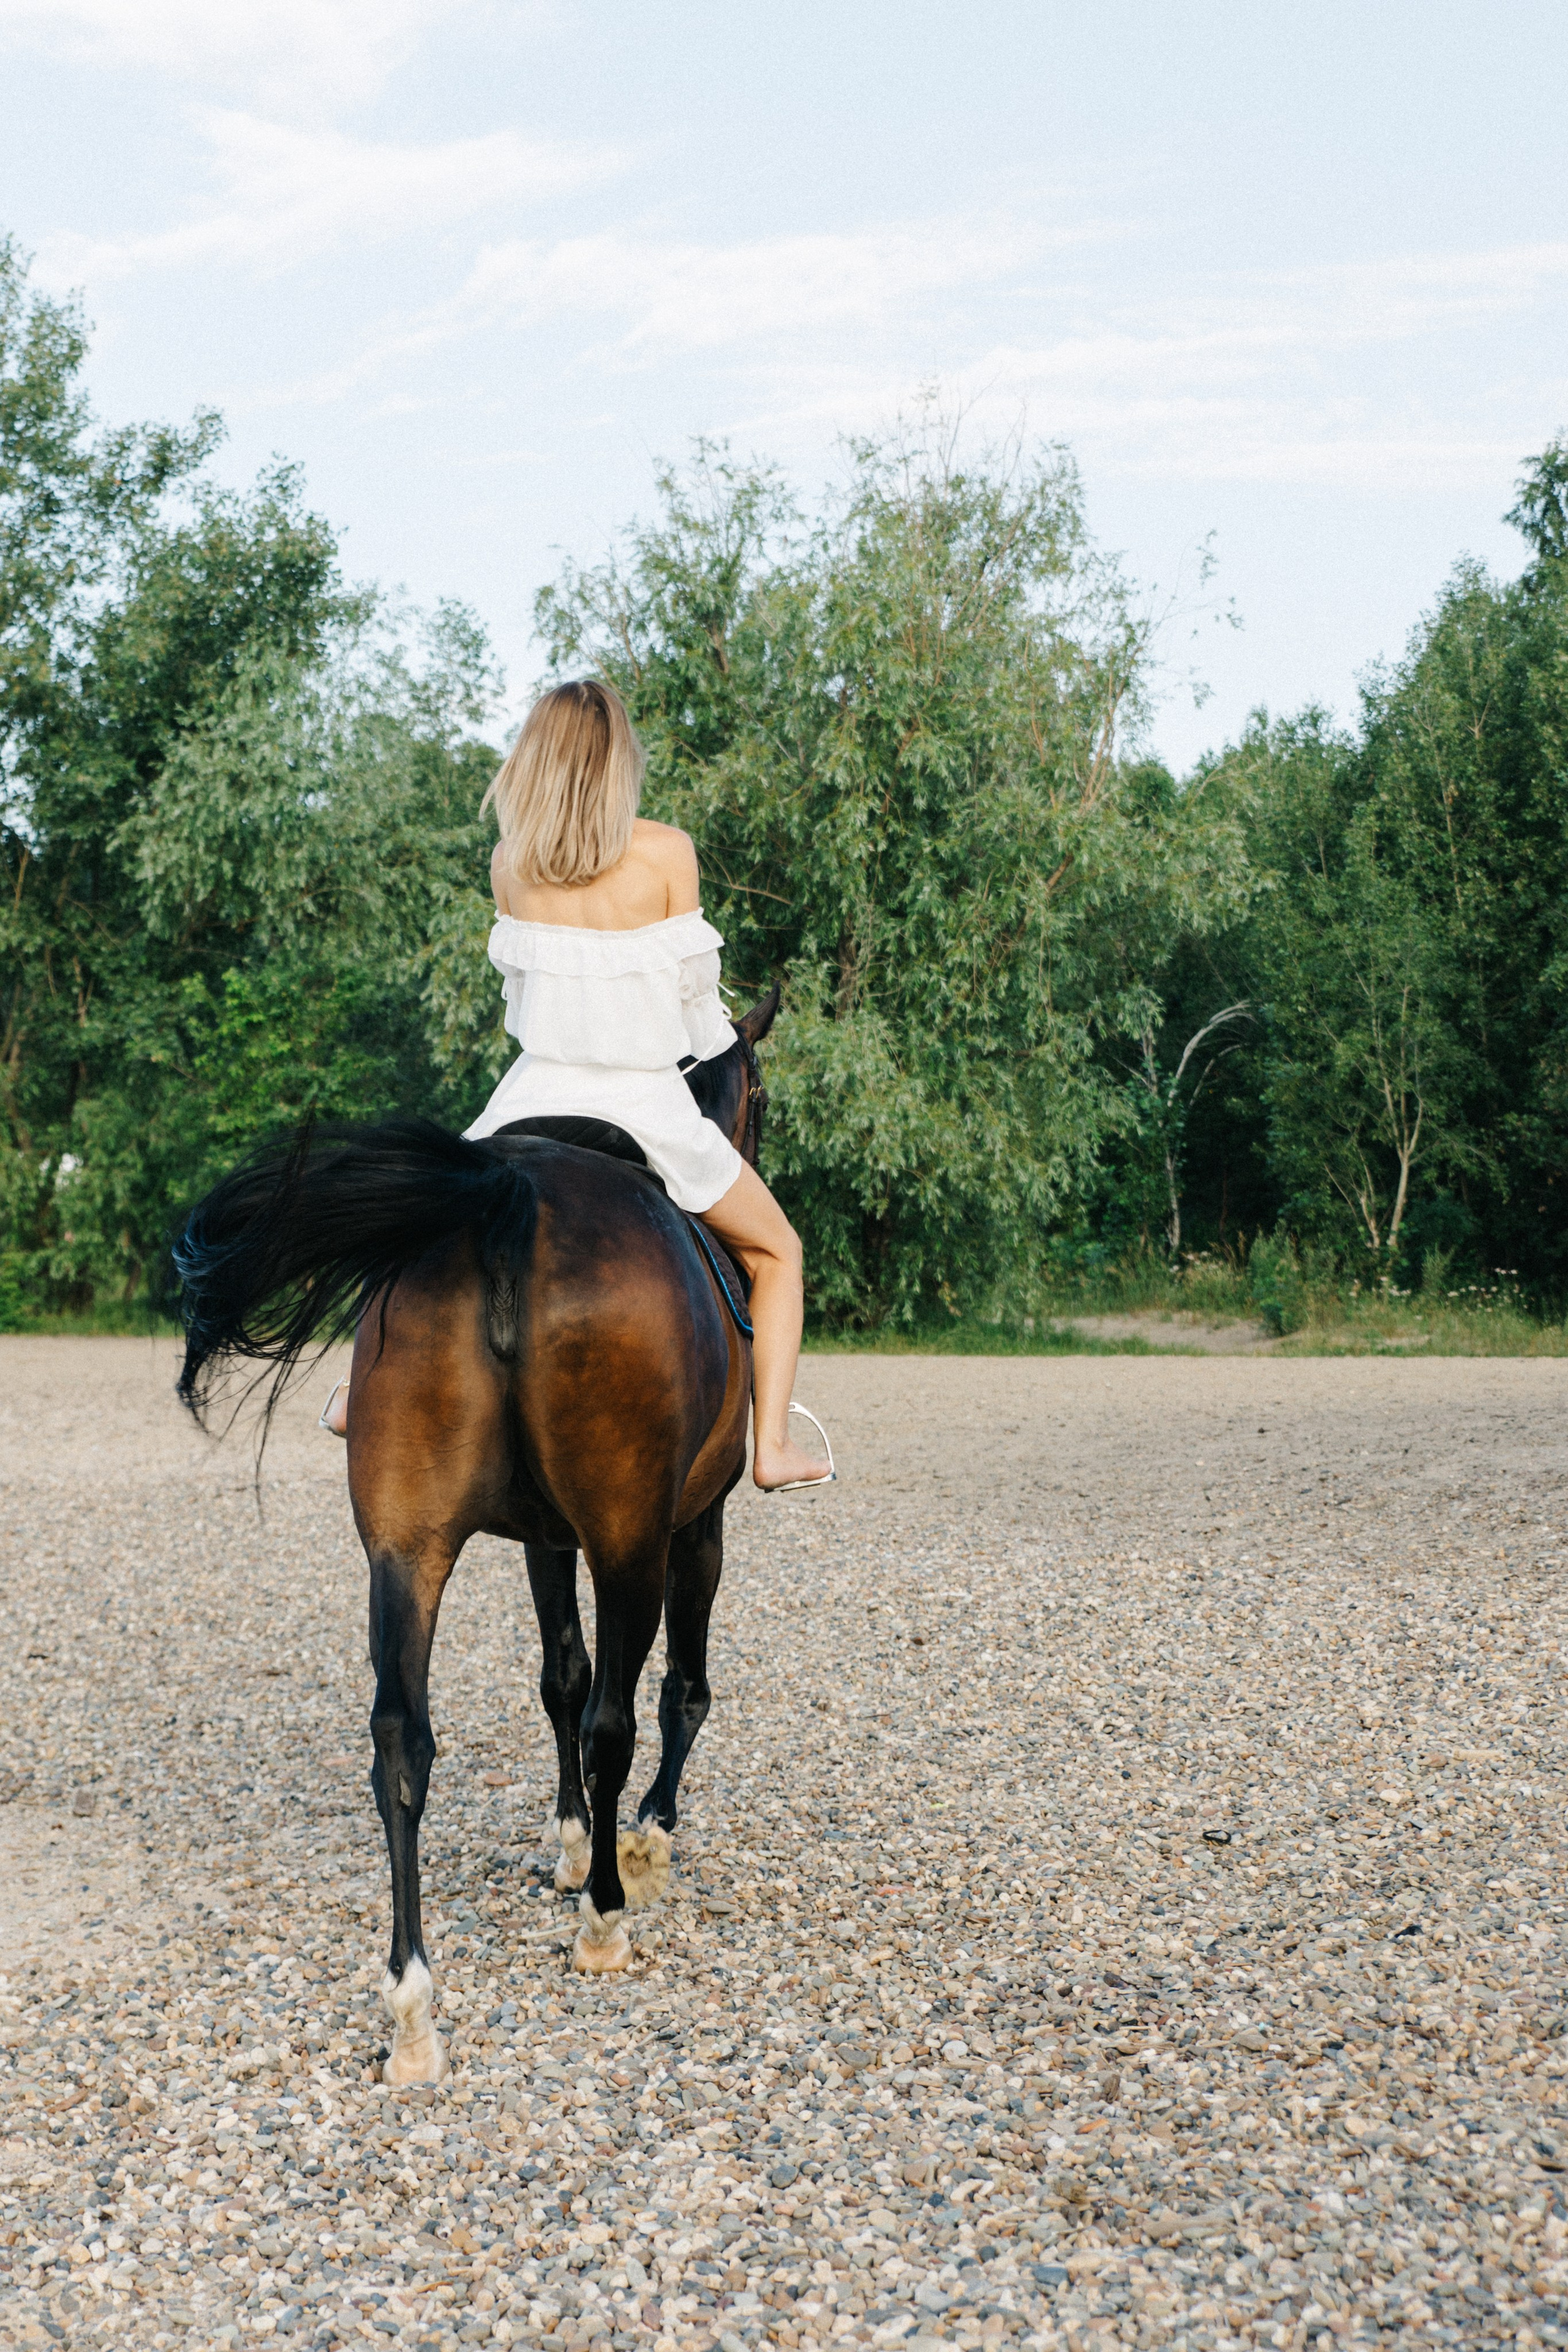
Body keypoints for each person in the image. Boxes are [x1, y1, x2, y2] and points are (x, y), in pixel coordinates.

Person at [322, 678, 831, 1492]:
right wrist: (708, 1044)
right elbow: (698, 1015)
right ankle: (771, 1447)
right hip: (644, 1099)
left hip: (528, 1094)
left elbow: (523, 1004)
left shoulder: (508, 864)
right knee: (779, 1254)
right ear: (620, 760)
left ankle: (360, 1393)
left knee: (414, 1219)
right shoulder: (667, 852)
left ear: (537, 759)